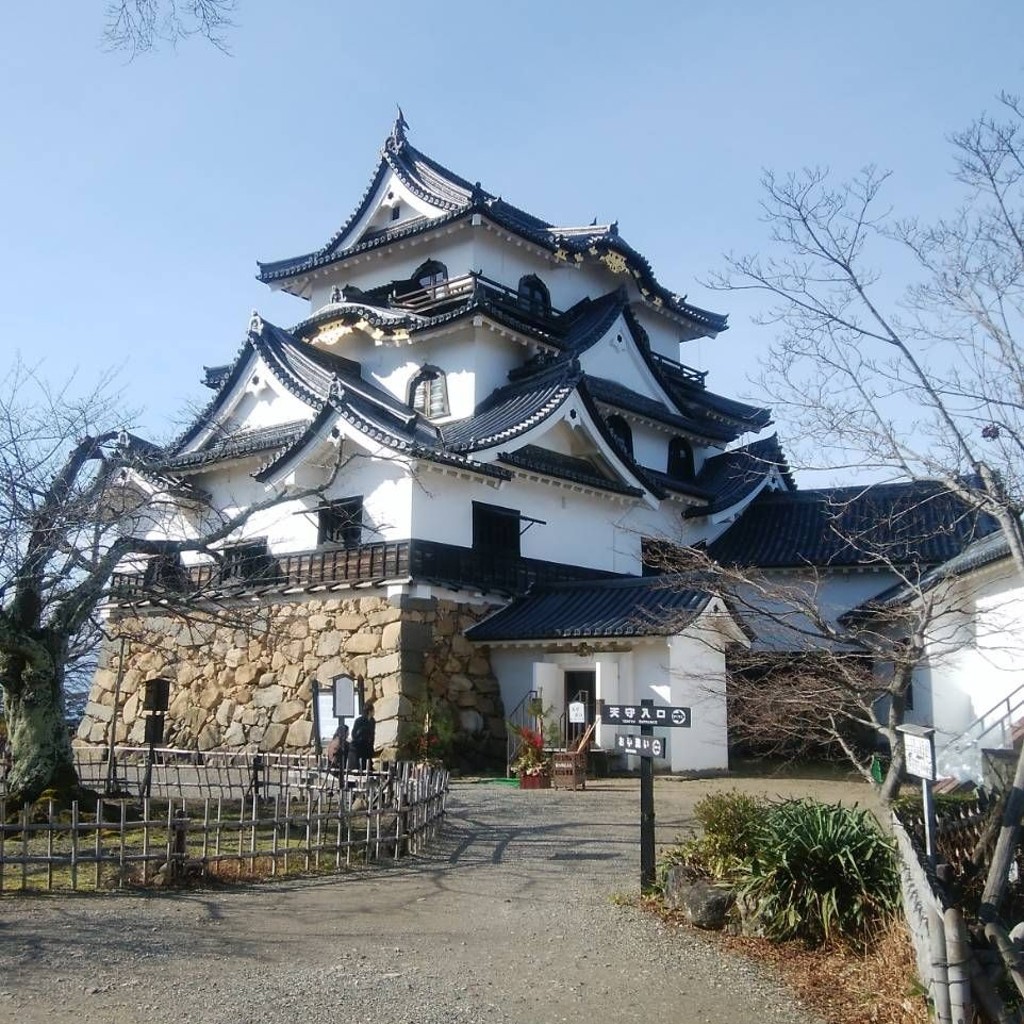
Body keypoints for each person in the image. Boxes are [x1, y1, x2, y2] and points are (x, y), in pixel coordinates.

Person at [347, 702, 376, 771]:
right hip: (359, 747)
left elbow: (372, 734)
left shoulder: (372, 721)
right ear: (369, 711)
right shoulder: (359, 721)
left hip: (368, 747)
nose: (374, 712)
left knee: (368, 766)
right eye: (373, 710)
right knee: (361, 766)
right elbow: (354, 734)